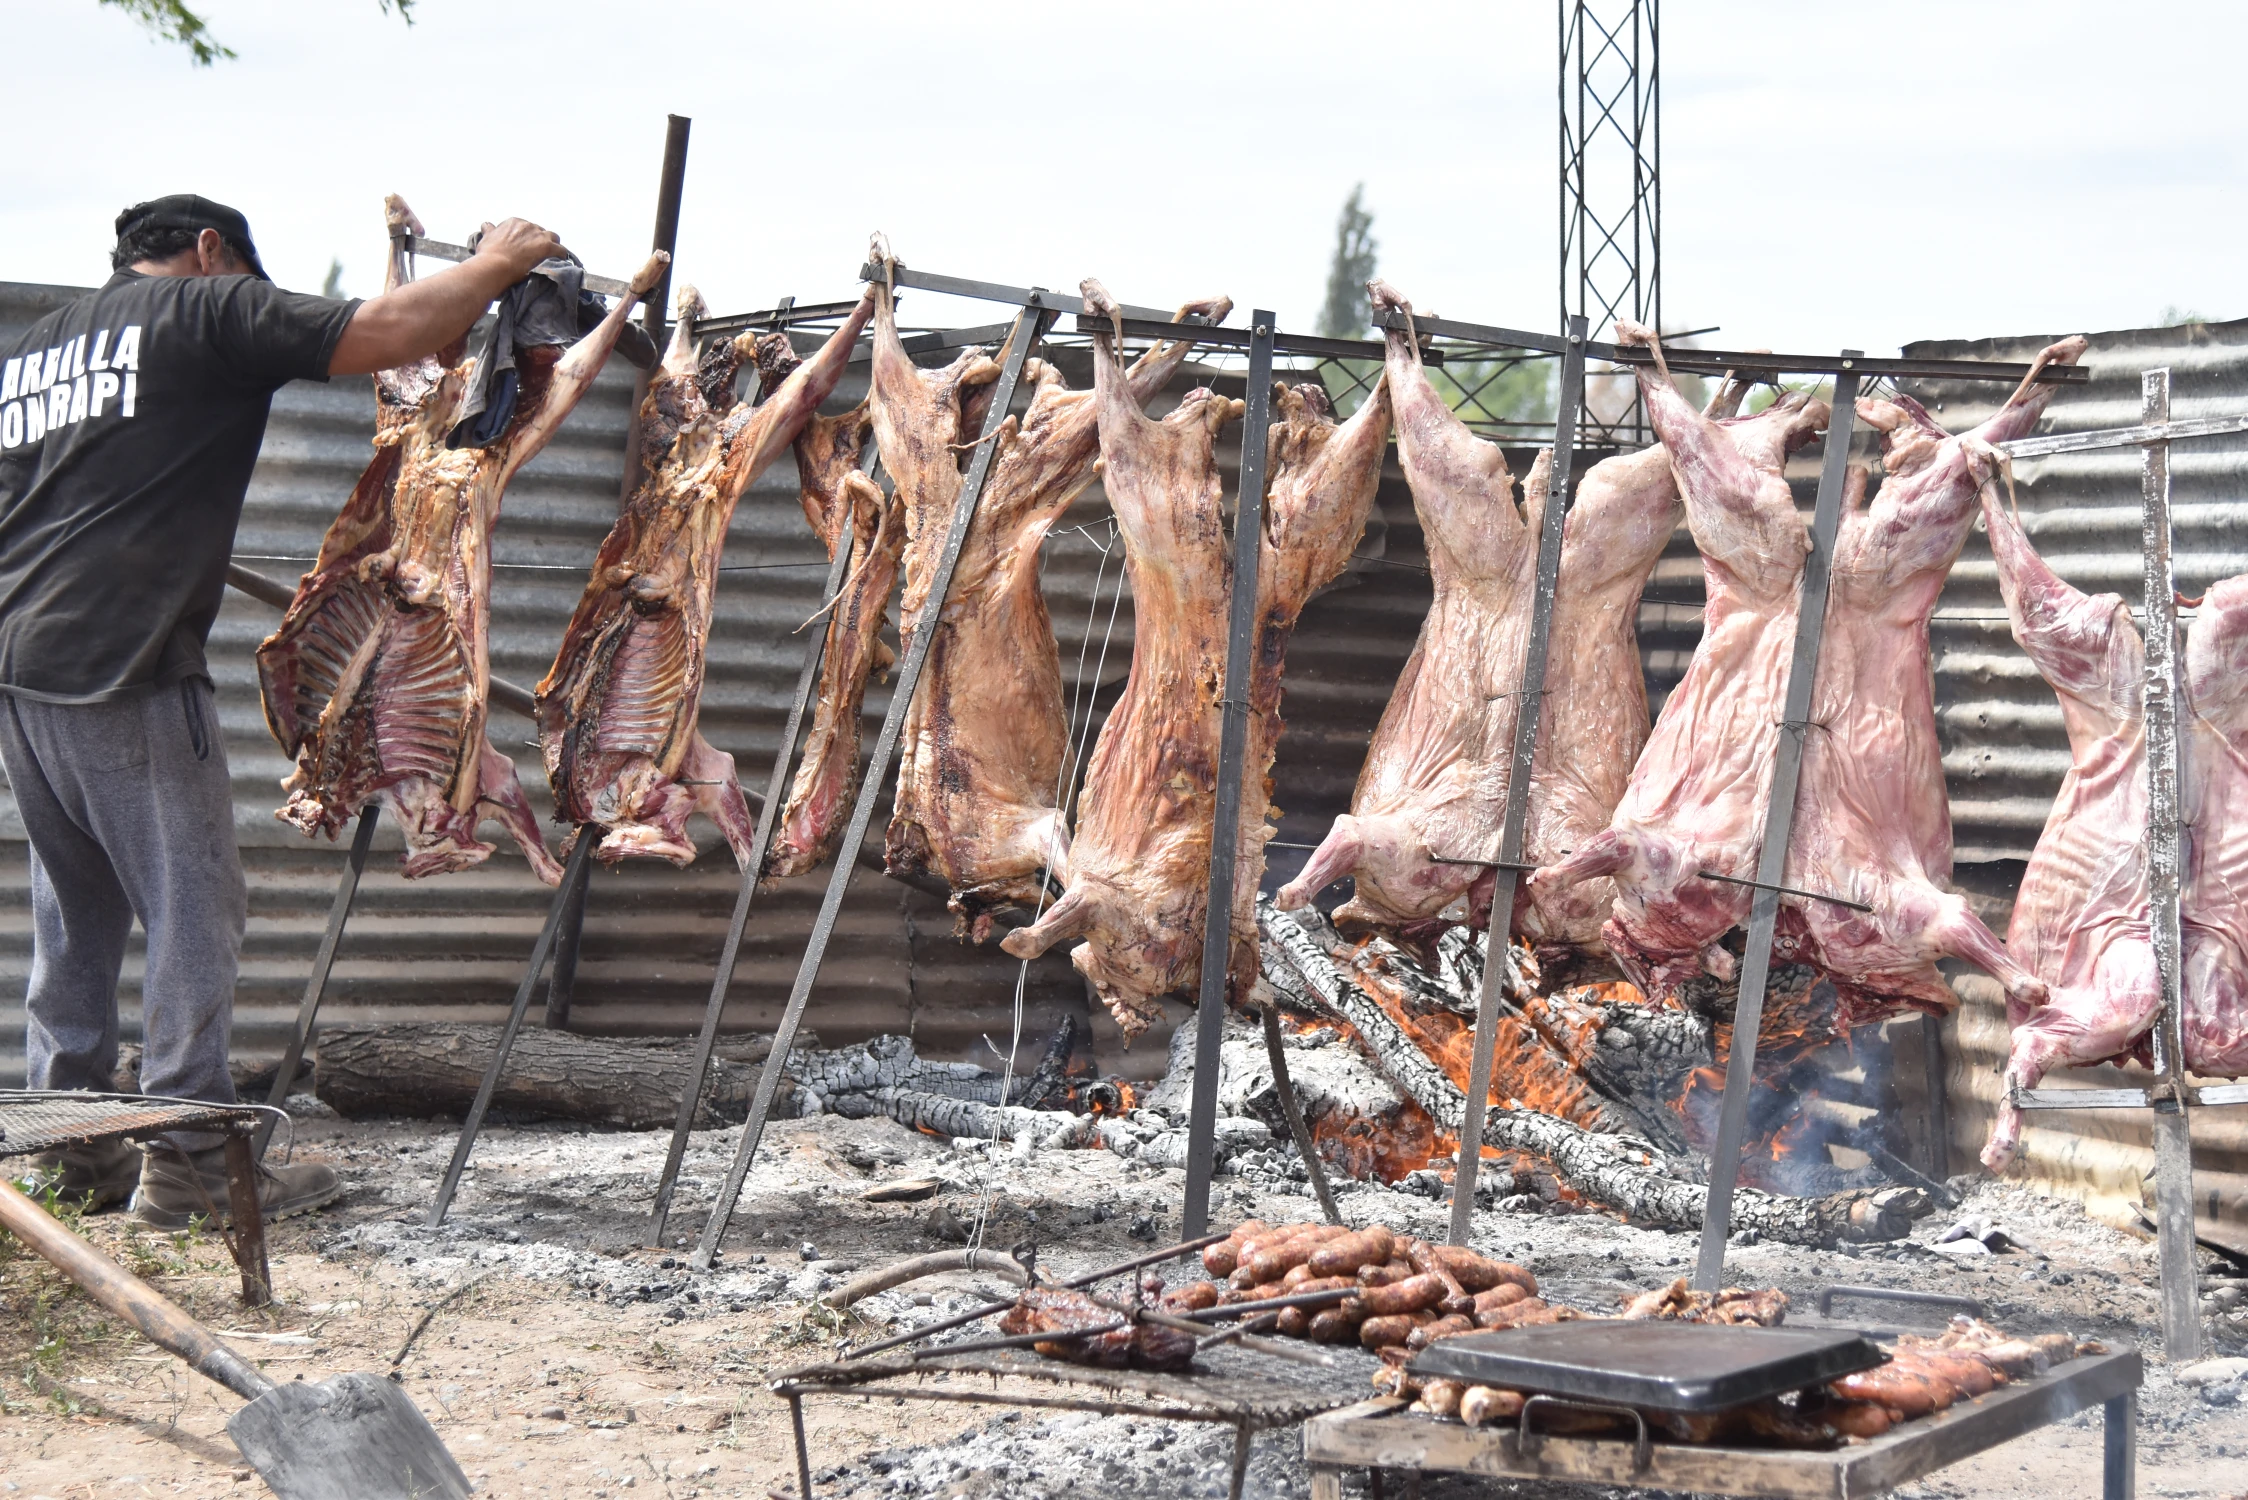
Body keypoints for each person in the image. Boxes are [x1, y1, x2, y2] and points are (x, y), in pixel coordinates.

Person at [0, 195, 562, 1225]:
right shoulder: (208, 311)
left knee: (75, 916)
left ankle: (67, 1155)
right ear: (213, 253)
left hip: (23, 668)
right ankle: (189, 1165)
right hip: (125, 664)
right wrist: (497, 263)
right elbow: (389, 335)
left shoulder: (37, 350)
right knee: (193, 913)